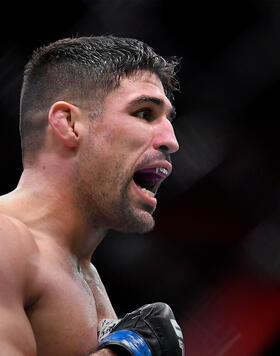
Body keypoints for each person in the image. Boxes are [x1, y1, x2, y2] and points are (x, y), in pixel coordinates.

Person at [0, 36, 184, 356]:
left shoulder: (83, 272)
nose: (172, 140)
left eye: (169, 119)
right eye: (144, 113)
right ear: (70, 123)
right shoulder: (7, 241)